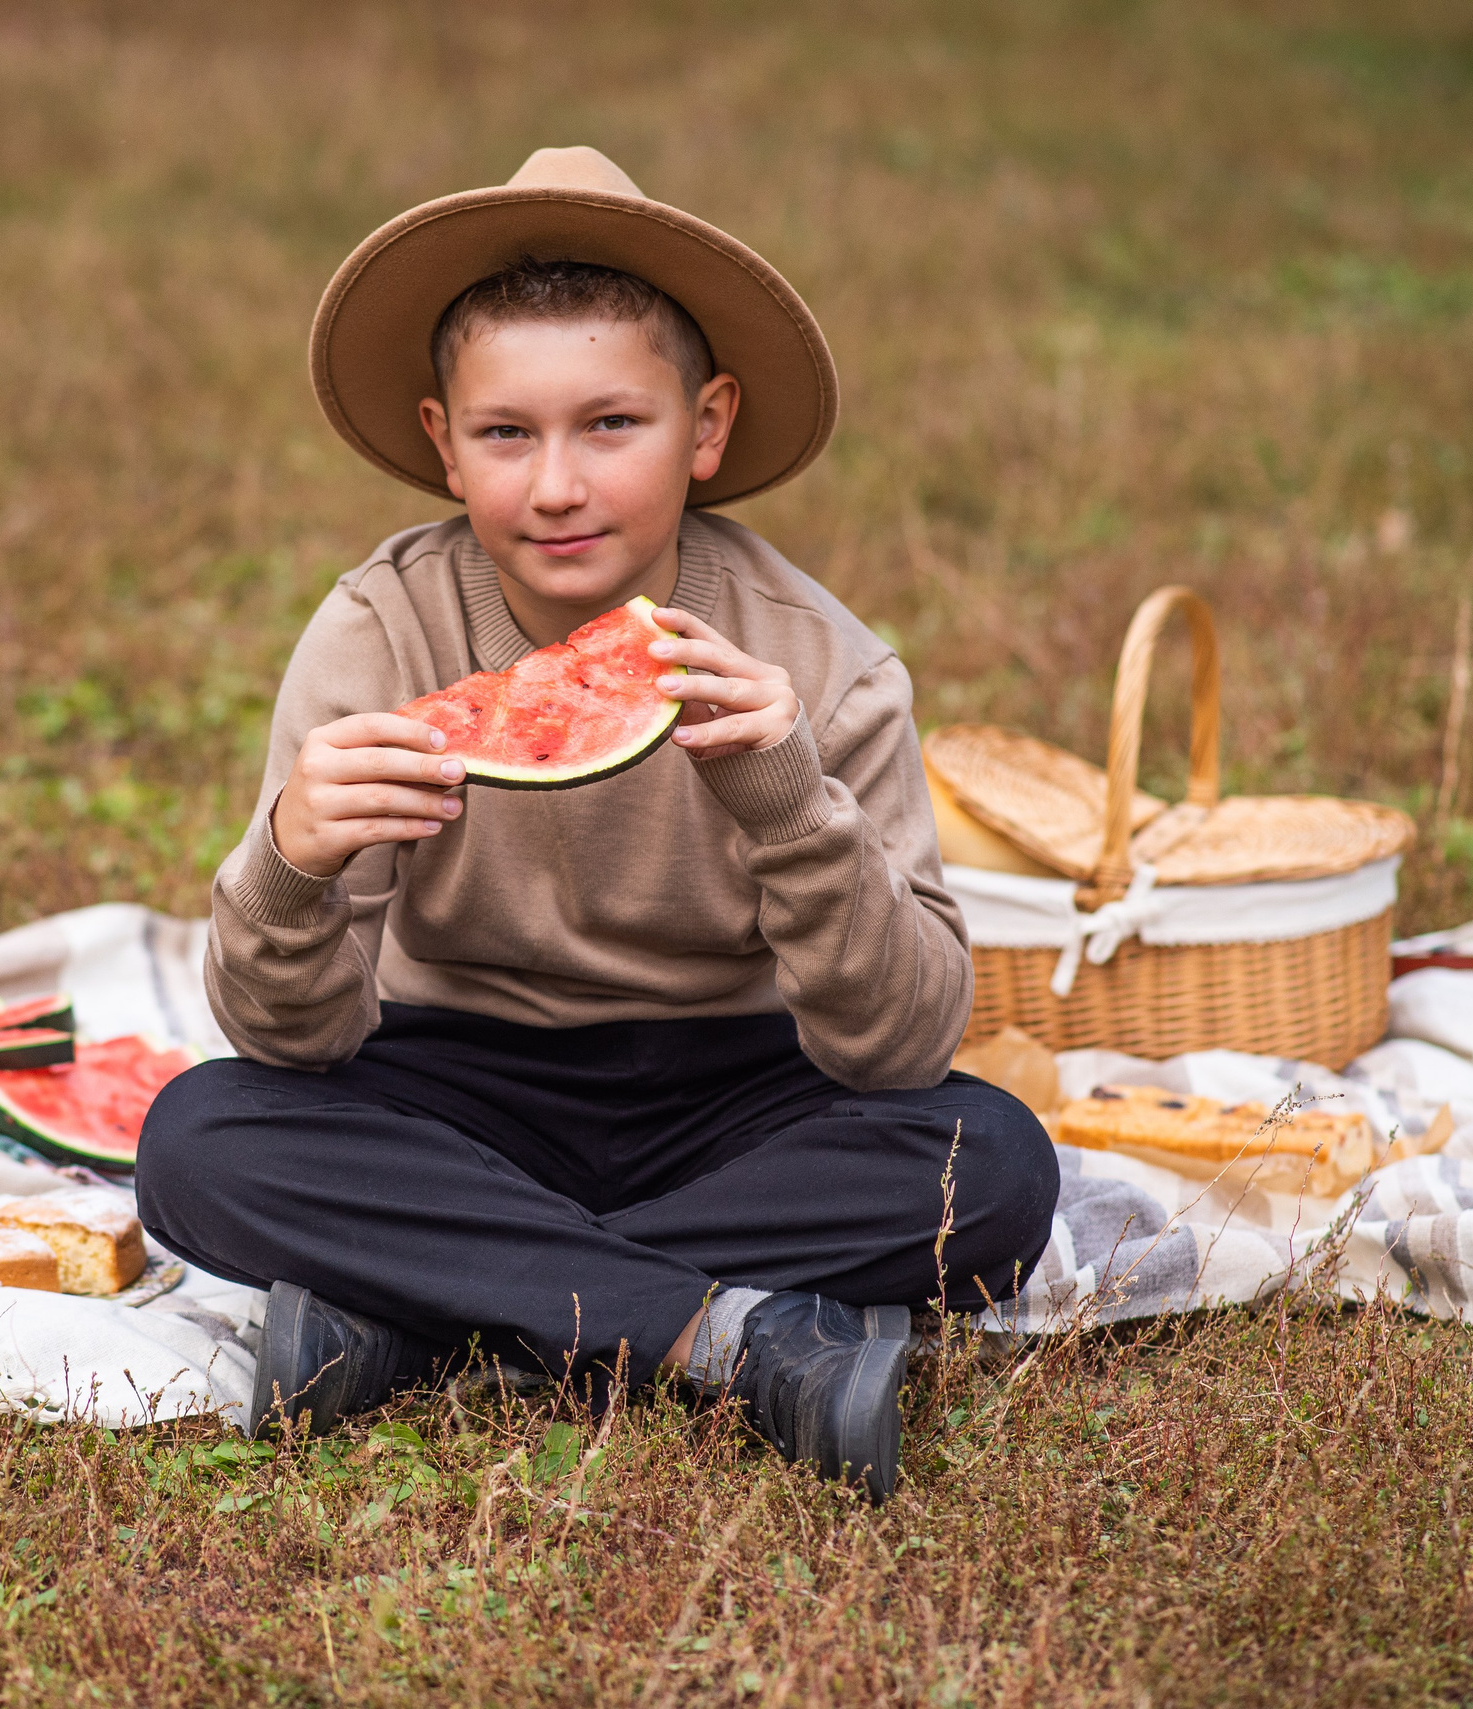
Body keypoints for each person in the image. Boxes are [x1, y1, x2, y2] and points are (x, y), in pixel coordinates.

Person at [135, 147, 1057, 1501]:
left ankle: (419, 1303)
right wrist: (289, 864)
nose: (556, 486)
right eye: (508, 434)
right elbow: (293, 1039)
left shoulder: (822, 663)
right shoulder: (379, 631)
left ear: (708, 426)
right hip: (452, 1082)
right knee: (197, 1139)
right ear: (445, 440)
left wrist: (794, 808)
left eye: (611, 425)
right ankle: (726, 1333)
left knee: (997, 1172)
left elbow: (898, 1046)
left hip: (743, 1090)